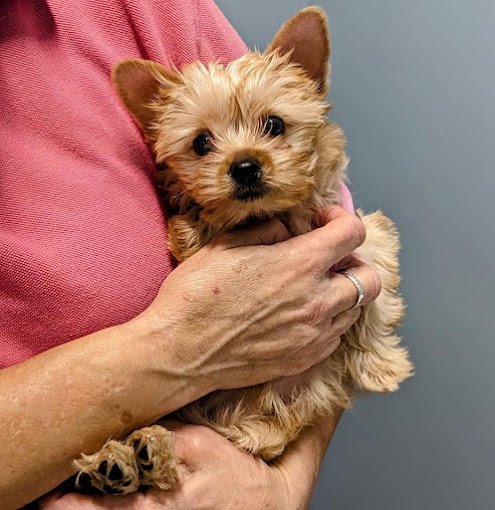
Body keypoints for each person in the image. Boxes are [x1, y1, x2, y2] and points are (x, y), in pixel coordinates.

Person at [0, 0, 381, 508]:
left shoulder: (144, 10)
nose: (243, 159)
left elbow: (327, 276)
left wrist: (283, 486)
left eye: (271, 127)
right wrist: (176, 347)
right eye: (203, 144)